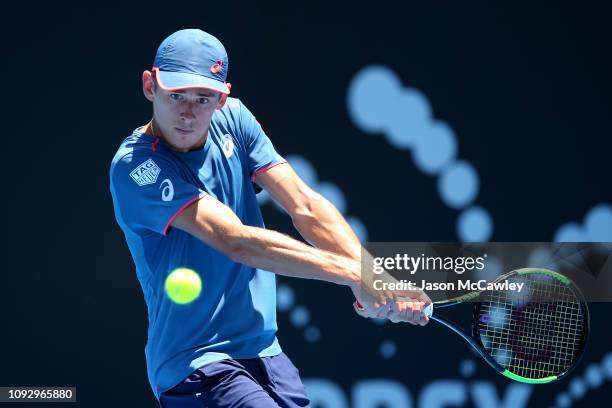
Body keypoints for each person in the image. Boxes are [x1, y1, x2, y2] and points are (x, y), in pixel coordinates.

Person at [110, 28, 430, 407]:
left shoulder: (235, 120)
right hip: (195, 364)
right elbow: (235, 241)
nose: (187, 112)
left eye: (203, 98)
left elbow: (305, 206)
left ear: (222, 98)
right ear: (150, 86)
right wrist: (356, 274)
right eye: (175, 95)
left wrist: (373, 275)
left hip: (266, 353)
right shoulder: (136, 167)